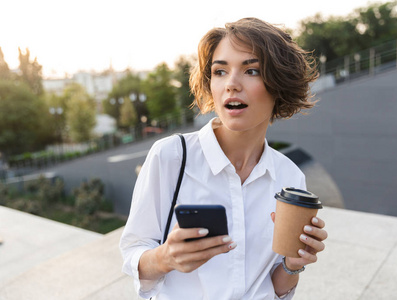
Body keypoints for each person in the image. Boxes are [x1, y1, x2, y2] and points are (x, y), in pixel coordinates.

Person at [120, 17, 328, 299]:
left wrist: (293, 264)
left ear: (279, 85)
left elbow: (277, 289)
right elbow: (133, 254)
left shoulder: (289, 177)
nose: (231, 84)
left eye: (251, 70)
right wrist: (166, 258)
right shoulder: (170, 156)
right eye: (219, 72)